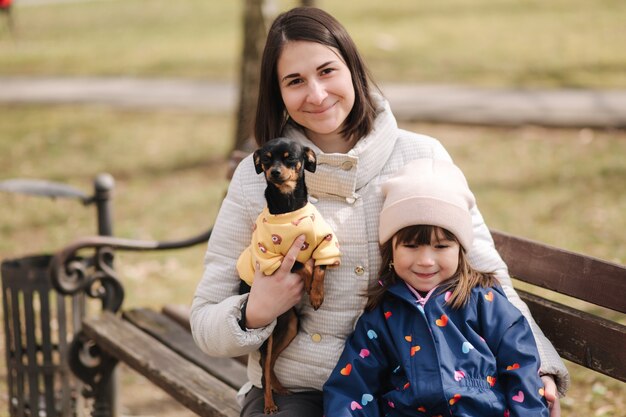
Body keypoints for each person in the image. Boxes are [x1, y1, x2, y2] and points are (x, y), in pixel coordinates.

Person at [190, 7, 568, 417]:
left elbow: (488, 275)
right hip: (301, 392)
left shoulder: (421, 156)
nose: (316, 94)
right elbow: (206, 322)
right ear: (277, 92)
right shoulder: (254, 177)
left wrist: (540, 369)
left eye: (327, 71)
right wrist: (256, 310)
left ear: (352, 68)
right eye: (295, 81)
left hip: (419, 389)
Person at [323, 159, 550, 416]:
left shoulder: (486, 303)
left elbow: (521, 369)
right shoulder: (381, 317)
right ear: (391, 250)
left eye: (441, 247)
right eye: (411, 246)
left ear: (461, 249)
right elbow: (352, 387)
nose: (426, 260)